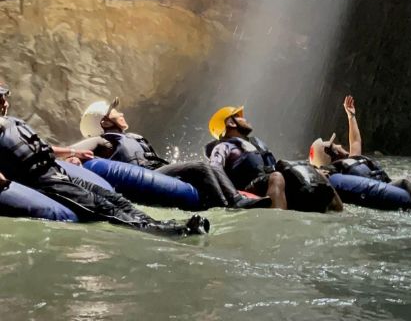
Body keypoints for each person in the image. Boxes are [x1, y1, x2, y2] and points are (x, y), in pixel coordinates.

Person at [0, 82, 208, 235]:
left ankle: (156, 222)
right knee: (100, 207)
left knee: (114, 199)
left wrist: (72, 153)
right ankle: (163, 231)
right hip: (39, 180)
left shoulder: (13, 123)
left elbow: (40, 147)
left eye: (5, 97)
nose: (4, 102)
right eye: (0, 98)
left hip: (55, 170)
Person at [72, 98, 269, 210]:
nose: (121, 113)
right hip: (144, 175)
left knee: (200, 169)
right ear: (104, 123)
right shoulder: (103, 140)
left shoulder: (133, 138)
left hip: (158, 173)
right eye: (115, 113)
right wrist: (71, 157)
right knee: (201, 166)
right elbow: (75, 149)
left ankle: (234, 199)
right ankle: (233, 206)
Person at [309, 96, 411, 212]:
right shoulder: (336, 170)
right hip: (385, 188)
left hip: (387, 183)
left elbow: (355, 142)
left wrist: (351, 116)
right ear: (332, 153)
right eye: (335, 145)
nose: (340, 145)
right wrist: (318, 171)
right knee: (408, 179)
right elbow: (318, 173)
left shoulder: (352, 160)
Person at [205, 106, 288, 210]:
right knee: (277, 177)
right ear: (231, 123)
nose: (245, 119)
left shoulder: (255, 145)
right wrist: (233, 195)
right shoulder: (224, 146)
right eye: (240, 117)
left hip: (265, 183)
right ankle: (275, 220)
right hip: (246, 188)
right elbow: (214, 167)